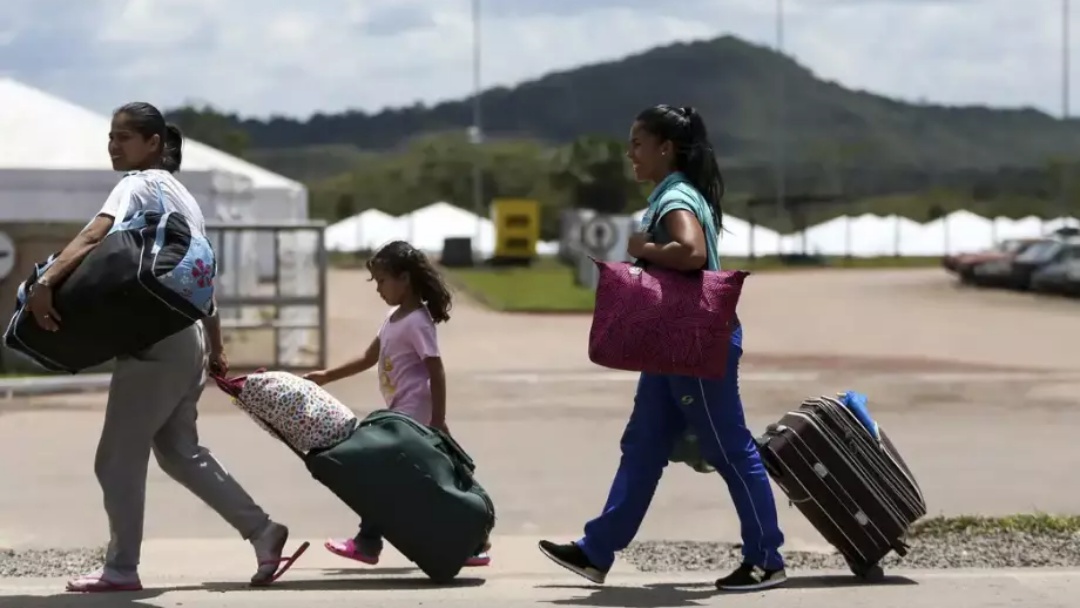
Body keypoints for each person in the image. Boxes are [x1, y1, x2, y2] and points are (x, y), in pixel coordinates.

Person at [25, 102, 301, 593]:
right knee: (178, 452)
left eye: (124, 137)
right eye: (111, 137)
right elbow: (199, 277)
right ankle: (262, 531)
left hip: (155, 343)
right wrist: (214, 345)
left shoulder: (137, 184)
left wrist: (46, 282)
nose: (114, 146)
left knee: (115, 459)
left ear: (154, 144)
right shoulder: (183, 198)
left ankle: (121, 568)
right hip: (185, 337)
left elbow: (96, 234)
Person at [537, 105, 787, 592]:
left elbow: (690, 253)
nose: (630, 152)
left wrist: (643, 248)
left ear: (665, 148)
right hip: (670, 346)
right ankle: (596, 550)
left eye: (637, 142)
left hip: (693, 343)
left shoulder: (675, 197)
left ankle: (766, 558)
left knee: (730, 449)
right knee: (643, 444)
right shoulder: (673, 194)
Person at [303, 240, 491, 567]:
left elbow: (437, 370)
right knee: (419, 484)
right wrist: (326, 376)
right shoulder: (393, 318)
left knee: (383, 477)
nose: (378, 289)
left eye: (382, 281)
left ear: (404, 279)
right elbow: (368, 357)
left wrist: (438, 420)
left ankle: (368, 542)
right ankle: (472, 545)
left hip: (414, 417)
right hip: (400, 415)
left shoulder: (418, 321)